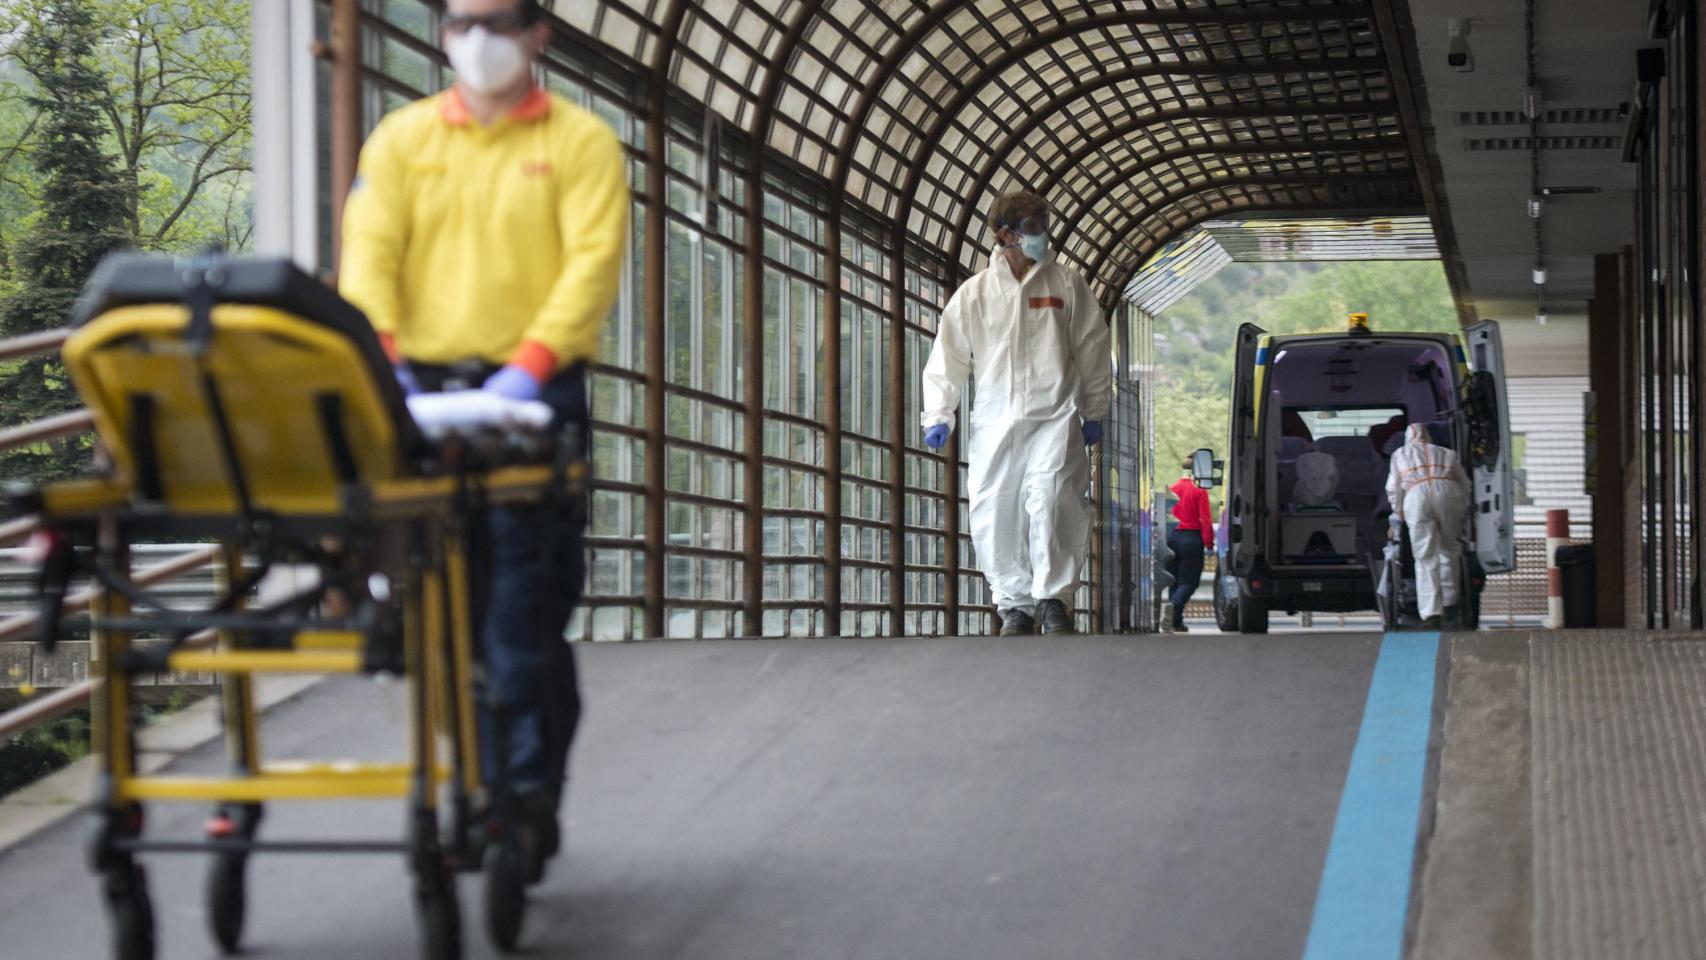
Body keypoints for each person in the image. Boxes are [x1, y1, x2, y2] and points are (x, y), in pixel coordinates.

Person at [339, 0, 628, 880]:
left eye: (499, 20)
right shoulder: (402, 141)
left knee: (522, 611)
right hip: (421, 395)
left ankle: (524, 794)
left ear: (538, 33)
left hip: (534, 394)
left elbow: (591, 263)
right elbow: (369, 251)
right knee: (439, 611)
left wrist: (529, 367)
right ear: (442, 34)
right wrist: (383, 359)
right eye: (462, 21)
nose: (480, 38)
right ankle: (476, 780)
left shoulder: (581, 144)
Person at [920, 190, 1111, 637]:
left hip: (1055, 415)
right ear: (1005, 234)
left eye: (1044, 221)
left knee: (1053, 498)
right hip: (996, 421)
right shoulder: (976, 295)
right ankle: (1014, 606)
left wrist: (1094, 407)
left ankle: (1053, 601)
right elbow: (948, 358)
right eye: (1032, 225)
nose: (1043, 232)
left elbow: (1093, 347)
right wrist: (938, 415)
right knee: (995, 511)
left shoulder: (1066, 285)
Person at [1385, 423, 1472, 627]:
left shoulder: (1400, 454)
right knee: (1450, 549)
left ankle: (1432, 612)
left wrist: (1399, 514)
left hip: (1417, 496)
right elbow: (1465, 484)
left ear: (1408, 439)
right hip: (1449, 493)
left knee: (1425, 556)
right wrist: (1462, 508)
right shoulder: (1447, 453)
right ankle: (1450, 604)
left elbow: (1392, 487)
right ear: (1429, 437)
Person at [1165, 460, 1215, 633]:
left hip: (1171, 539)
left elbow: (1166, 518)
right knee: (1189, 582)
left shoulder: (1171, 490)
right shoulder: (1199, 491)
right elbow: (1205, 520)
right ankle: (1174, 604)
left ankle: (1174, 622)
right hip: (1191, 539)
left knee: (1174, 581)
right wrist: (1209, 542)